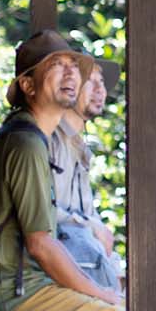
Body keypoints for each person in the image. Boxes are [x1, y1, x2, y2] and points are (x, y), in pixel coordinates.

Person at [0, 30, 127, 311]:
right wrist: (101, 293)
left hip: (20, 287)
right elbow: (41, 244)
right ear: (28, 85)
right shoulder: (25, 144)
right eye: (56, 65)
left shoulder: (30, 137)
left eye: (74, 66)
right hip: (12, 296)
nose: (71, 73)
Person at [50, 52, 123, 292]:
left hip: (84, 265)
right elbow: (41, 213)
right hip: (54, 272)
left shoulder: (80, 147)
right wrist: (92, 227)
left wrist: (119, 272)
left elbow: (89, 218)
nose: (100, 90)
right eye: (90, 81)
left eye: (101, 83)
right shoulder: (50, 139)